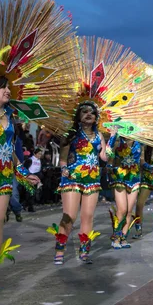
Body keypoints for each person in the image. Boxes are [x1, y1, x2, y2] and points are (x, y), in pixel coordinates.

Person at [0, 77, 40, 292]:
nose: (7, 90)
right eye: (2, 87)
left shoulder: (12, 118)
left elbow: (13, 152)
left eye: (8, 87)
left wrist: (24, 174)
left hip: (3, 178)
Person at [52, 102, 112, 265]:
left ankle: (84, 251)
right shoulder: (71, 133)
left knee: (87, 216)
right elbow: (63, 159)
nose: (88, 114)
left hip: (92, 179)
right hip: (72, 178)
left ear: (96, 117)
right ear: (78, 115)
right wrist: (64, 170)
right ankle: (60, 249)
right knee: (69, 216)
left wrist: (113, 138)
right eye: (84, 111)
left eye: (92, 112)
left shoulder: (99, 136)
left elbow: (105, 157)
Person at [108, 136, 142, 248]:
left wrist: (150, 168)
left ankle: (123, 237)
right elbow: (109, 154)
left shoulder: (140, 142)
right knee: (122, 209)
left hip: (134, 178)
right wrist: (110, 165)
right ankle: (116, 238)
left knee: (128, 211)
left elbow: (141, 161)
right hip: (119, 177)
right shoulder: (118, 140)